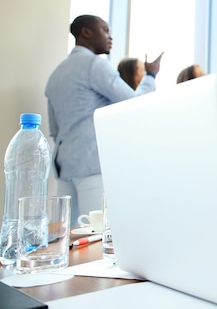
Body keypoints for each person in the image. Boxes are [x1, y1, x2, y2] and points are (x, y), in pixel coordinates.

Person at [45, 15, 163, 226]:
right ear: (86, 32)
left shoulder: (56, 75)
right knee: (101, 236)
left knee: (67, 238)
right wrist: (151, 75)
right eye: (105, 30)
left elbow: (54, 130)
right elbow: (132, 103)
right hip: (92, 165)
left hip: (64, 166)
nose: (110, 37)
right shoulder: (93, 65)